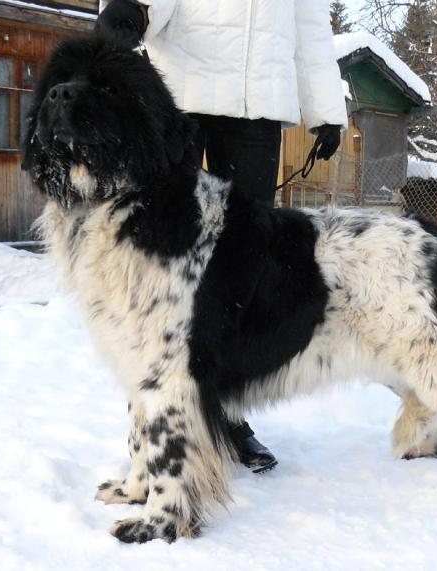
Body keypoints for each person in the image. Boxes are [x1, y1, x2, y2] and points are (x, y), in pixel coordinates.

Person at [95, 0, 348, 473]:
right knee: (165, 258)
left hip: (259, 104)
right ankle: (160, 410)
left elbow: (310, 26)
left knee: (246, 263)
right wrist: (135, 10)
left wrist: (326, 109)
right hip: (183, 94)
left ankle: (228, 414)